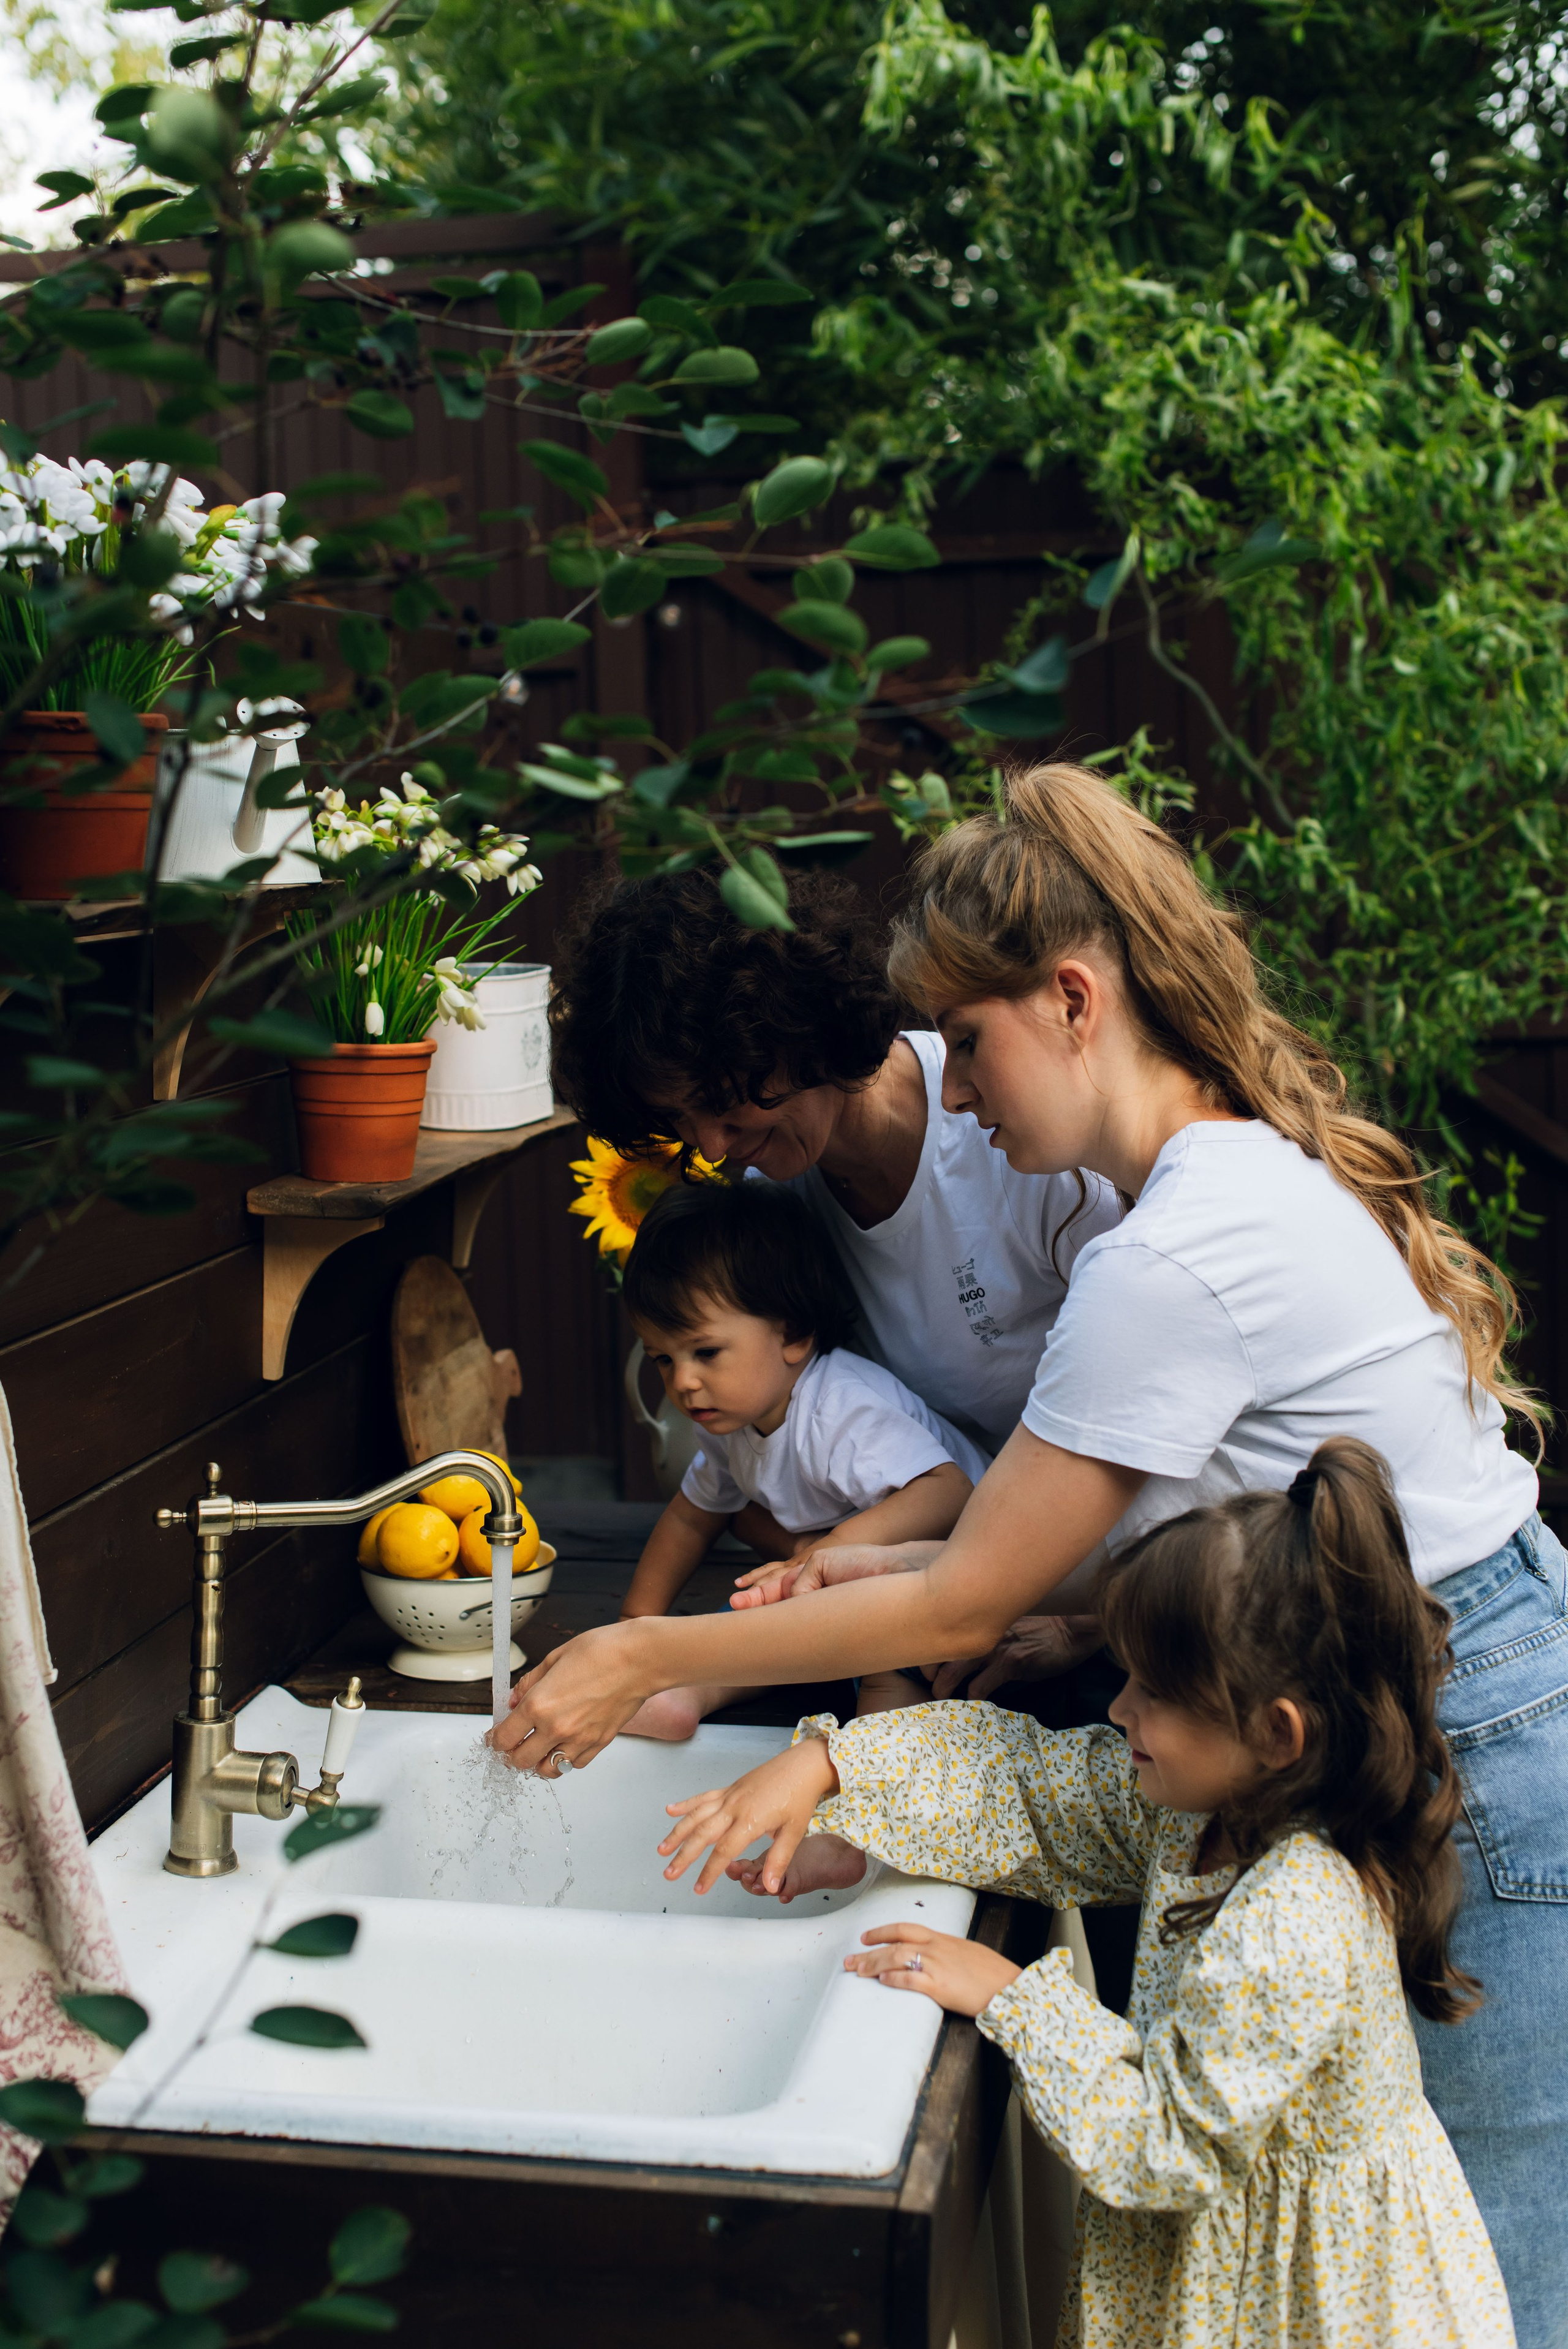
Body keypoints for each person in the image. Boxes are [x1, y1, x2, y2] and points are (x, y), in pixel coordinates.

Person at [501, 764, 1561, 2342]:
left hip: (1461, 1717)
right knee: (1382, 2254)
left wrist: (642, 1649)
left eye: (975, 1042)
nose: (962, 1091)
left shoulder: (1161, 1250)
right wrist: (868, 1718)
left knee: (1455, 2259)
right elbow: (1073, 1552)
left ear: (1071, 999)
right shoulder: (1190, 1196)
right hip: (1415, 1691)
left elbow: (975, 1579)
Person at [657, 1442, 1515, 2349]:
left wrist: (1013, 1996)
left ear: (1275, 1730)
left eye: (1154, 1689)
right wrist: (839, 1775)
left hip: (1310, 2305)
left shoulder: (1297, 1910)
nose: (1119, 1708)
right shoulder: (1213, 1812)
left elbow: (1168, 2147)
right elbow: (1034, 1790)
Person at [617, 1181, 987, 1736]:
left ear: (791, 1333)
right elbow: (692, 1518)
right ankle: (686, 1685)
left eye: (706, 1352)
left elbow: (949, 1490)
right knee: (756, 1618)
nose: (684, 1382)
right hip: (838, 1592)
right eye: (663, 1360)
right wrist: (634, 1625)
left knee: (876, 1641)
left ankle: (873, 1752)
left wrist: (828, 1552)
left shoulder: (841, 1408)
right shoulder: (729, 1419)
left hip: (956, 1576)